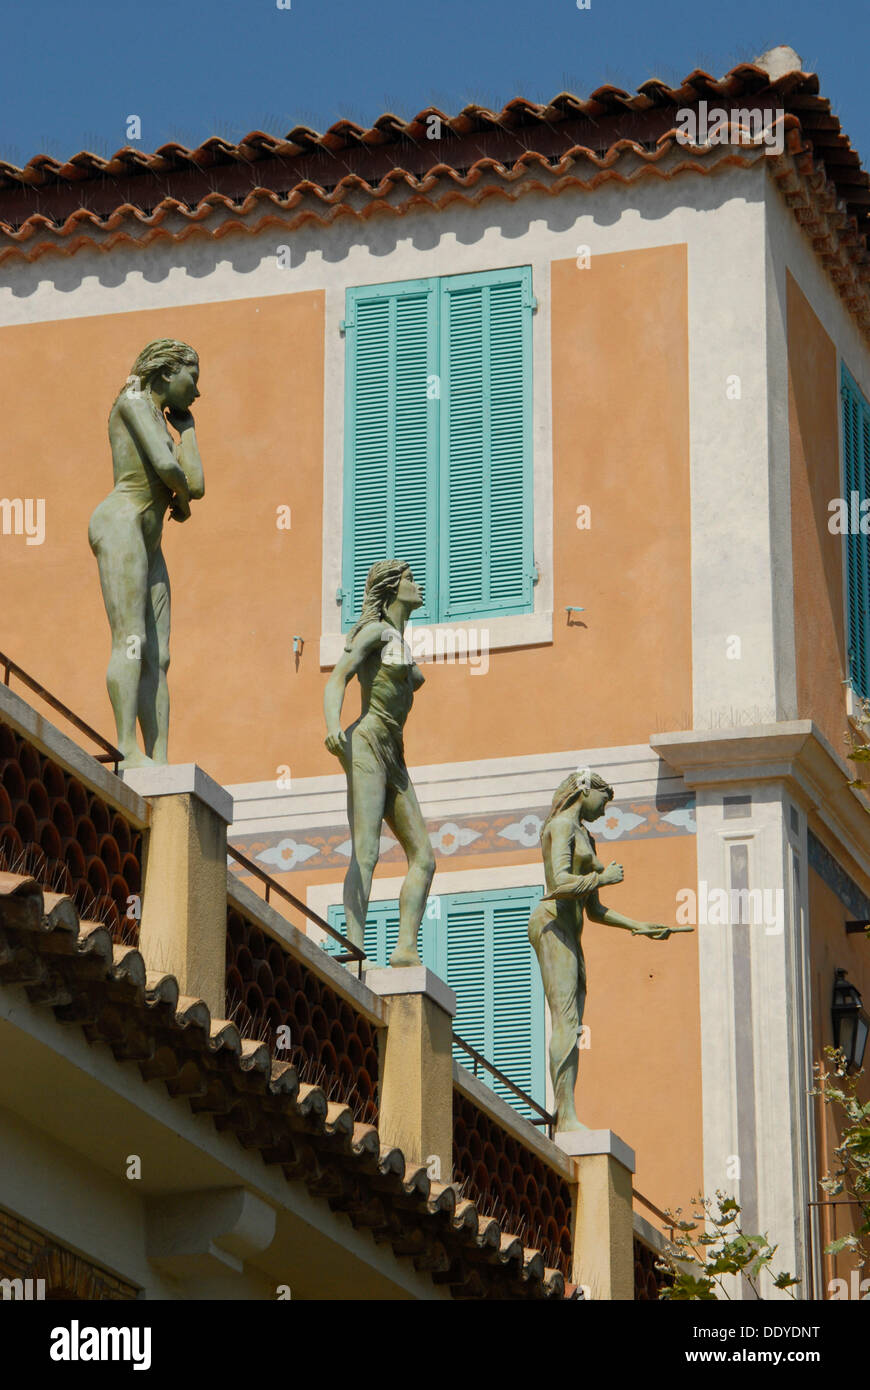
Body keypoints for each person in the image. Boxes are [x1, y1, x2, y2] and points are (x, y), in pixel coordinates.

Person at [529, 769, 692, 1131]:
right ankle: (565, 1113)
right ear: (584, 791)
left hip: (572, 928)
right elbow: (558, 884)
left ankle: (568, 1109)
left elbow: (595, 909)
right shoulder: (561, 828)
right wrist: (602, 877)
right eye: (604, 800)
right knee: (567, 1021)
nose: (605, 811)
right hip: (553, 924)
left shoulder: (586, 835)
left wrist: (640, 927)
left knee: (574, 1022)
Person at [88, 339, 204, 769]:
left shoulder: (162, 420)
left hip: (150, 541)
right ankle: (126, 748)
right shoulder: (133, 399)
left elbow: (197, 481)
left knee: (160, 655)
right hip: (122, 523)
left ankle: (159, 758)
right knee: (131, 640)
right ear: (167, 372)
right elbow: (169, 468)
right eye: (193, 377)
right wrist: (184, 500)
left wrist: (188, 429)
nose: (196, 391)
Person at [324, 559, 435, 967]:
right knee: (366, 850)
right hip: (367, 742)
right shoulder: (374, 632)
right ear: (391, 588)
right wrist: (333, 725)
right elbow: (338, 678)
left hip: (394, 752)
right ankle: (354, 951)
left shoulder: (401, 640)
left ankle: (405, 949)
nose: (417, 584)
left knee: (424, 857)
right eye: (409, 578)